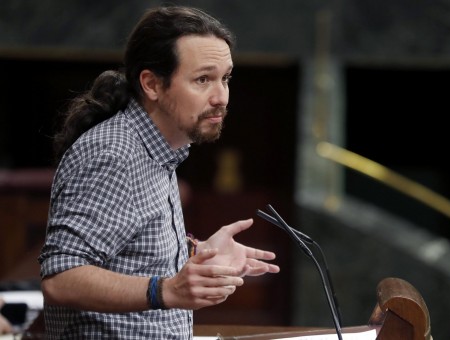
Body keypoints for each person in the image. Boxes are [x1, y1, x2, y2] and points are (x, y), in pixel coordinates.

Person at [38, 5, 280, 339]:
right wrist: (165, 290)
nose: (221, 96)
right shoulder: (114, 153)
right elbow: (61, 278)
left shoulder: (159, 150)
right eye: (203, 79)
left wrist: (198, 252)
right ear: (152, 84)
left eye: (225, 78)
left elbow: (129, 254)